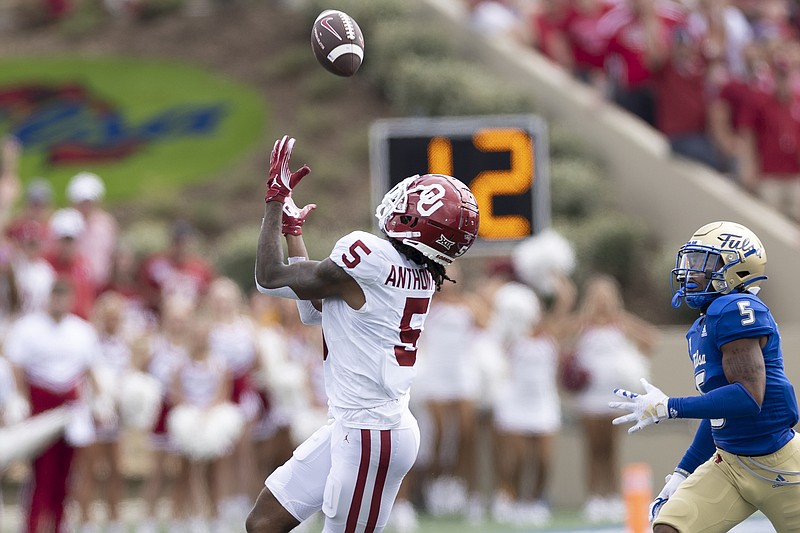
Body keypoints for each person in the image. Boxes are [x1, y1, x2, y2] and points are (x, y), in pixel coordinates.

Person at [246, 135, 480, 533]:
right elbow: (315, 309)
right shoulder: (421, 274)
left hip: (372, 433)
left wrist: (273, 199)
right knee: (263, 523)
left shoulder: (368, 256)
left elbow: (269, 278)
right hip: (358, 425)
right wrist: (293, 233)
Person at [609, 221, 800, 532]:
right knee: (669, 528)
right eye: (691, 262)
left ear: (737, 268)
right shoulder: (703, 325)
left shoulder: (735, 309)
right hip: (728, 464)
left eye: (702, 263)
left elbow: (748, 397)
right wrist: (683, 472)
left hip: (780, 464)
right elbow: (719, 416)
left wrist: (670, 406)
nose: (690, 272)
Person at [571, 274, 659, 522]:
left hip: (613, 396)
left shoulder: (621, 322)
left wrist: (633, 361)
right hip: (589, 396)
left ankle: (611, 496)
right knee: (593, 449)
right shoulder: (583, 323)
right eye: (597, 297)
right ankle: (593, 497)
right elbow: (560, 338)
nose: (602, 302)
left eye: (606, 296)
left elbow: (650, 339)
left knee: (611, 449)